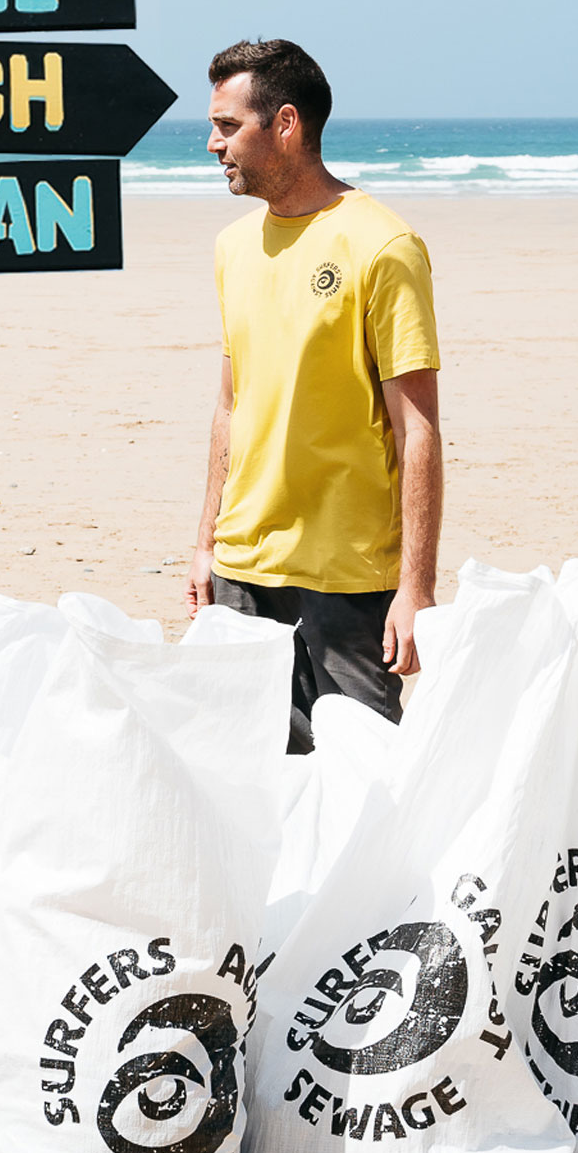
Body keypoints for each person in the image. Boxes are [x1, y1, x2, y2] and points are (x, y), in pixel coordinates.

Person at [188, 39, 442, 747]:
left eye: (228, 125)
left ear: (287, 125)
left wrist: (415, 589)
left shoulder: (383, 246)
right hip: (242, 565)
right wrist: (204, 543)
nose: (213, 144)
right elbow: (230, 406)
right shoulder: (233, 248)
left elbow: (417, 428)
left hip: (347, 572)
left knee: (363, 777)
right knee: (245, 769)